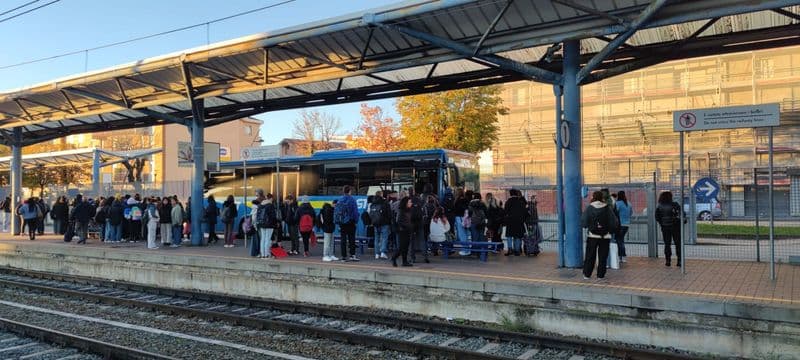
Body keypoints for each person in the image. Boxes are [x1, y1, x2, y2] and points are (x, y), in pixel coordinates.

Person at [581, 191, 618, 279]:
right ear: (602, 197)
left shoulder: (589, 208)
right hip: (605, 236)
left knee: (590, 255)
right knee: (603, 256)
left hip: (592, 236)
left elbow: (584, 222)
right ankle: (600, 275)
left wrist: (587, 226)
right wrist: (610, 230)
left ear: (593, 197)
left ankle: (587, 274)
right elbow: (614, 222)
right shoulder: (607, 208)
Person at [655, 191, 683, 267]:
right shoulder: (675, 205)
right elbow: (681, 214)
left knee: (667, 244)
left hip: (665, 227)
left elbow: (657, 217)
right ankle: (679, 260)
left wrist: (662, 223)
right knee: (678, 244)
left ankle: (668, 261)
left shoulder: (659, 206)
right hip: (676, 227)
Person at [335, 185, 359, 262]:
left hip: (342, 222)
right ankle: (352, 255)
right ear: (349, 191)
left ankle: (343, 257)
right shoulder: (352, 200)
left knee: (343, 239)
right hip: (350, 222)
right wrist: (356, 221)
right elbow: (355, 212)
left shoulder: (340, 200)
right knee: (352, 239)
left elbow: (337, 212)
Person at [504, 189, 528, 256]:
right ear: (516, 194)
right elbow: (525, 212)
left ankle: (509, 249)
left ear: (510, 194)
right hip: (519, 221)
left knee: (509, 236)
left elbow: (505, 212)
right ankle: (517, 251)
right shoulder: (521, 202)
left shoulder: (507, 202)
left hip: (510, 221)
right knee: (517, 236)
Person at [391, 196, 414, 267]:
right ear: (405, 203)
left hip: (407, 231)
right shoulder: (401, 211)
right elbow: (399, 221)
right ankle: (394, 258)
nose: (411, 203)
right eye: (409, 202)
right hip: (403, 231)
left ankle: (405, 261)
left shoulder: (408, 210)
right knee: (401, 247)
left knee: (406, 247)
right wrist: (407, 226)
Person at [369, 191, 391, 260]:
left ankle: (376, 254)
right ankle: (382, 252)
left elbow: (370, 214)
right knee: (384, 237)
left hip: (375, 223)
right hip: (384, 223)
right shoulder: (385, 202)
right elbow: (389, 213)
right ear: (381, 195)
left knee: (376, 238)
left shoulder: (372, 203)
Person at [255, 193, 277, 259]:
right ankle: (267, 254)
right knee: (267, 239)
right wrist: (276, 223)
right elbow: (273, 216)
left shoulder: (260, 205)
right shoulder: (270, 205)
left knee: (263, 239)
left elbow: (257, 215)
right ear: (271, 198)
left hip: (261, 224)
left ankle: (263, 254)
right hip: (269, 224)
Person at [615, 191, 632, 263]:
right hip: (627, 225)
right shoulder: (629, 203)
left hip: (620, 225)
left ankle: (621, 256)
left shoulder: (618, 203)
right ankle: (623, 257)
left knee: (619, 241)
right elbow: (631, 213)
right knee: (621, 240)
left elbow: (615, 212)